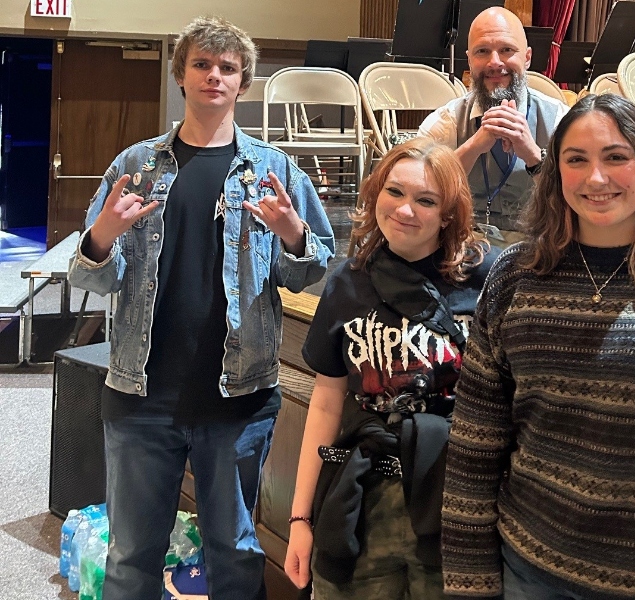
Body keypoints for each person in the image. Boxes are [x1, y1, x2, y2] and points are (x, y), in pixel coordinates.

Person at [67, 16, 335, 600]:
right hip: (141, 396)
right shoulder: (136, 165)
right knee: (131, 555)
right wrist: (104, 233)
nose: (214, 76)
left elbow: (310, 270)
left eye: (228, 68)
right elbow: (90, 276)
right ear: (182, 77)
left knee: (237, 555)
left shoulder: (274, 170)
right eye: (202, 65)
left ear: (243, 82)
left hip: (238, 399)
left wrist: (292, 233)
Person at [442, 93, 635, 599]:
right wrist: (470, 581)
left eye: (616, 157)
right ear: (556, 171)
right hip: (530, 567)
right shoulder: (515, 275)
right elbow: (476, 440)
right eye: (577, 160)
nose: (596, 179)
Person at [284, 137, 496, 599]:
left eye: (426, 200)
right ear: (375, 193)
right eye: (394, 192)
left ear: (448, 213)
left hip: (454, 497)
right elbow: (325, 404)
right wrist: (301, 518)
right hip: (363, 493)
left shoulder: (485, 278)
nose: (405, 210)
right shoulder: (348, 280)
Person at [418, 6, 569, 246]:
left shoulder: (561, 120)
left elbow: (575, 203)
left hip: (540, 247)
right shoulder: (445, 122)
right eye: (483, 51)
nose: (495, 62)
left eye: (507, 50)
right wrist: (473, 147)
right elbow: (418, 195)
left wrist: (532, 155)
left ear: (527, 57)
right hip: (463, 245)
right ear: (469, 59)